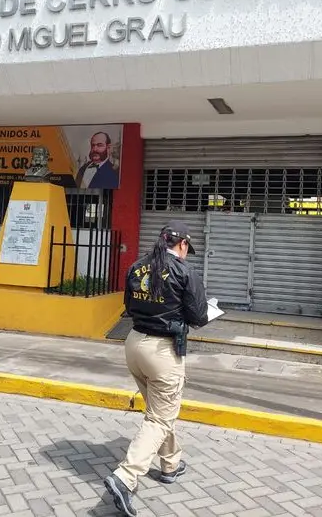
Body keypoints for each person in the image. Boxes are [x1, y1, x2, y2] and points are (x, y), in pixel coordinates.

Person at [104, 221, 210, 517]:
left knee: (161, 411)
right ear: (183, 245)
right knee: (159, 419)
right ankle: (125, 478)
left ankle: (171, 464)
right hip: (163, 352)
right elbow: (199, 316)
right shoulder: (185, 272)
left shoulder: (137, 266)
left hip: (134, 344)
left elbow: (128, 304)